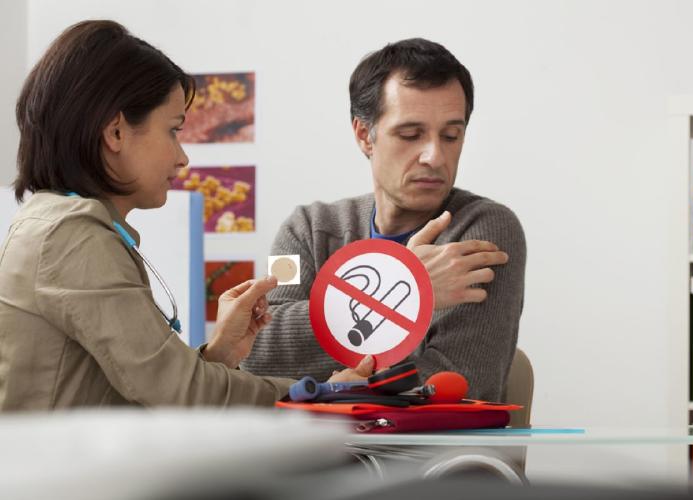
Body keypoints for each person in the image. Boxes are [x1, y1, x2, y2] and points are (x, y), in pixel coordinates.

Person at [0, 20, 370, 411]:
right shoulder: (71, 236)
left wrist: (220, 353)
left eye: (446, 135)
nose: (183, 157)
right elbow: (179, 393)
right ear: (116, 133)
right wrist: (319, 392)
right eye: (173, 130)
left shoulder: (64, 226)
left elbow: (145, 386)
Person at [242, 38, 526, 402]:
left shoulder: (483, 230)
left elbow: (461, 382)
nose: (434, 155)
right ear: (365, 135)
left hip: (434, 456)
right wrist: (406, 288)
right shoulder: (305, 230)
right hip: (321, 451)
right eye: (410, 134)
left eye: (451, 136)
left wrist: (329, 386)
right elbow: (259, 350)